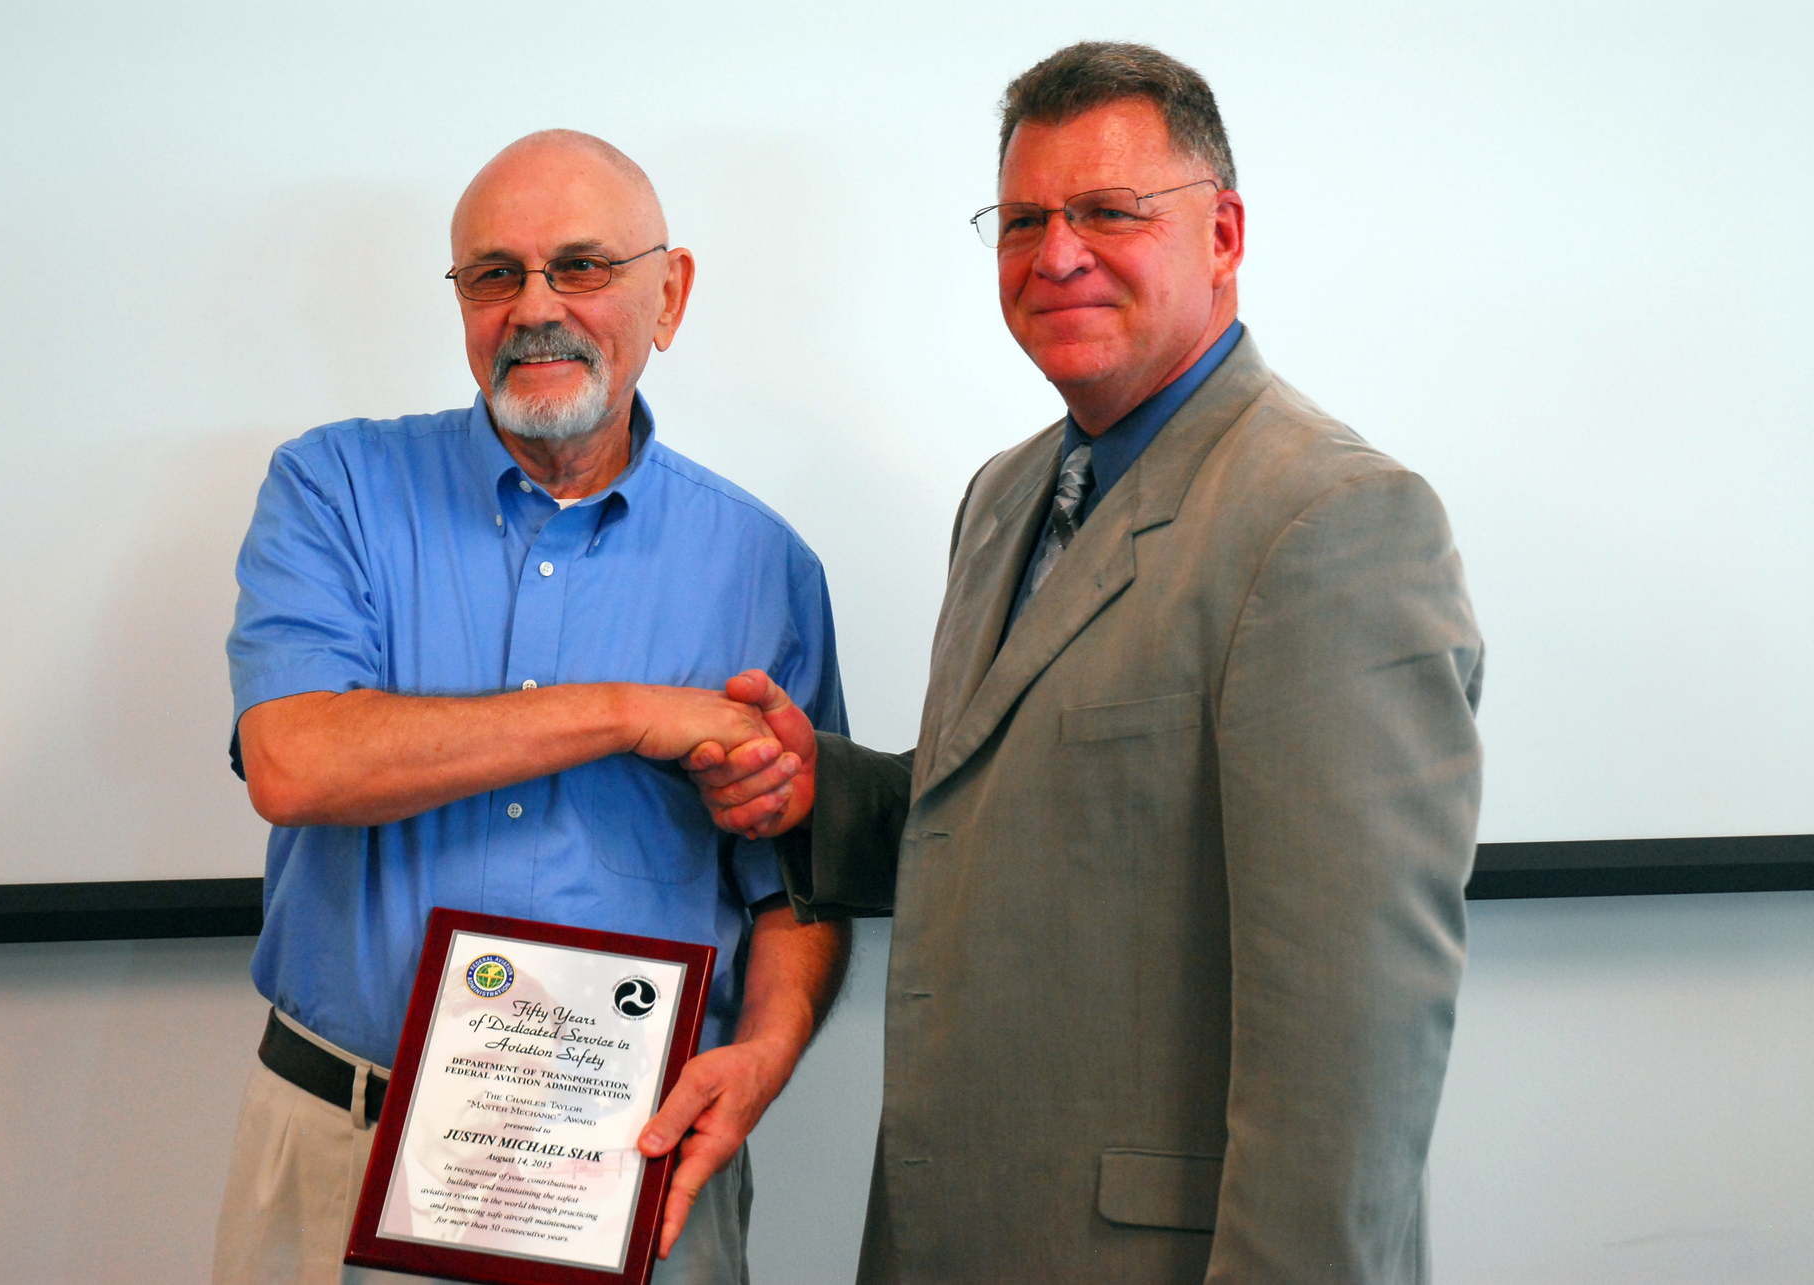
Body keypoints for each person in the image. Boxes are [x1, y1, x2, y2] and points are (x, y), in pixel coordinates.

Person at [686, 42, 1485, 1284]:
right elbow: (1020, 814)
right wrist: (823, 793)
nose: (1056, 253)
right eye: (1021, 220)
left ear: (1222, 233)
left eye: (1110, 211)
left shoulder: (1332, 521)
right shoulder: (1006, 496)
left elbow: (1354, 1040)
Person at [213, 130, 850, 1285]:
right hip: (343, 1149)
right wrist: (626, 712)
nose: (535, 307)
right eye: (494, 275)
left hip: (630, 1172)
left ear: (672, 293)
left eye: (584, 267)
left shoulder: (765, 566)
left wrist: (764, 1054)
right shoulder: (334, 489)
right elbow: (296, 762)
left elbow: (802, 885)